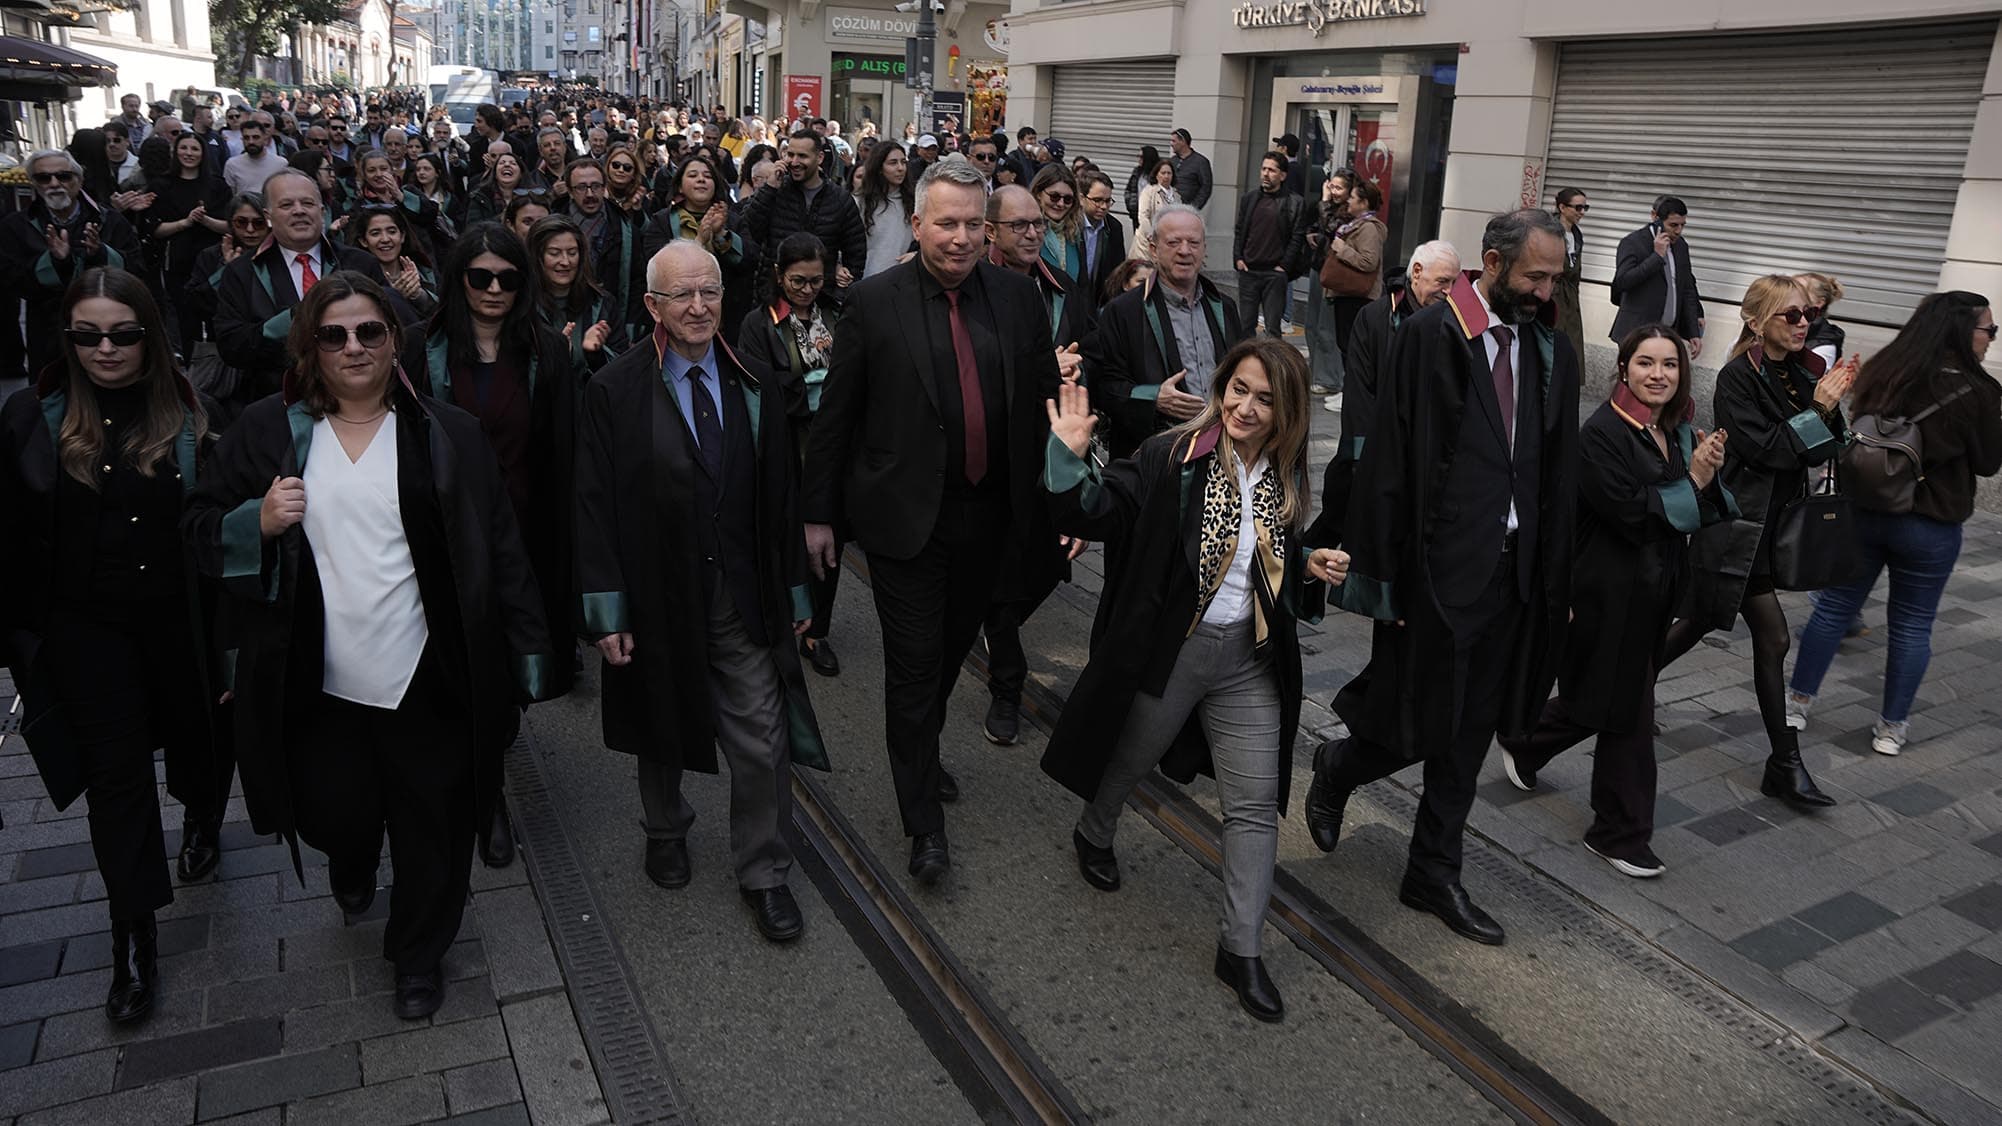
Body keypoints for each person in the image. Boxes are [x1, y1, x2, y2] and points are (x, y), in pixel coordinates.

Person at [185, 271, 557, 1020]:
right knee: (336, 814)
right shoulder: (267, 431)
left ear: (394, 341)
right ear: (310, 347)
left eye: (369, 332)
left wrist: (527, 650)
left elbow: (499, 545)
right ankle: (351, 862)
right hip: (316, 679)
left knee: (434, 825)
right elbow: (197, 528)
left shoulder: (446, 432)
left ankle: (418, 954)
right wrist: (255, 522)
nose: (353, 347)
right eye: (334, 335)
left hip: (428, 673)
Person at [1040, 338, 1344, 1021]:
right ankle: (1095, 830)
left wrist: (1304, 564)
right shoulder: (1171, 456)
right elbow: (1095, 512)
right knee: (1129, 759)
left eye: (1265, 398)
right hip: (1174, 651)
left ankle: (1241, 949)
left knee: (1253, 805)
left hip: (1249, 662)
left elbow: (1263, 556)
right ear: (1221, 387)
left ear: (1288, 412)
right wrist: (1067, 457)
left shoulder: (1287, 475)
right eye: (1238, 389)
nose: (1246, 407)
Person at [1302, 210, 1582, 947]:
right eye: (1535, 276)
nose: (1546, 291)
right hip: (1438, 572)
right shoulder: (1432, 334)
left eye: (1555, 278)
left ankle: (1432, 869)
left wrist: (1557, 580)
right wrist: (1385, 580)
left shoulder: (1549, 345)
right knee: (1419, 719)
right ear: (1493, 262)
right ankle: (1340, 764)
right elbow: (1390, 462)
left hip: (1512, 575)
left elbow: (1558, 471)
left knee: (1471, 731)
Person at [802, 160, 1065, 884]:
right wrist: (818, 515)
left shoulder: (1018, 298)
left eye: (974, 225)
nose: (961, 238)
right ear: (917, 225)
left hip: (990, 519)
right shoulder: (873, 303)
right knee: (915, 668)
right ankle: (924, 825)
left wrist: (1067, 494)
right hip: (904, 522)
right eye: (946, 223)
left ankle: (921, 748)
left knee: (949, 655)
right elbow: (837, 417)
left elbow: (1046, 407)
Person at [574, 241, 829, 943]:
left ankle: (765, 870)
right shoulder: (615, 389)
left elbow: (780, 498)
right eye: (680, 295)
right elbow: (592, 505)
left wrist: (795, 595)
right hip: (657, 594)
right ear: (652, 305)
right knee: (662, 722)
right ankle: (665, 829)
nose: (696, 308)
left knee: (763, 738)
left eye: (708, 293)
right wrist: (607, 611)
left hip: (739, 595)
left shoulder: (754, 381)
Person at [0, 268, 231, 1025]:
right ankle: (133, 936)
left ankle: (202, 816)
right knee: (116, 780)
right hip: (85, 631)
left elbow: (215, 525)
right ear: (67, 338)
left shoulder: (189, 413)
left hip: (177, 621)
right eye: (87, 335)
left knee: (199, 739)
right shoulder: (33, 418)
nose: (105, 348)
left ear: (148, 335)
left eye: (123, 333)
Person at [1497, 327, 1734, 879]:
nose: (1658, 374)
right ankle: (1618, 832)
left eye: (1669, 364)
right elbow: (1632, 514)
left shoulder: (1672, 429)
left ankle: (1525, 742)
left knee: (1602, 697)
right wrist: (1694, 480)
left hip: (1653, 593)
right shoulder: (1601, 433)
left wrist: (1705, 473)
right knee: (1629, 713)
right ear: (1623, 367)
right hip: (1606, 595)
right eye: (1646, 363)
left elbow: (1697, 511)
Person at [1656, 274, 1855, 806]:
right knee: (1773, 638)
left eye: (1808, 314)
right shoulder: (1736, 378)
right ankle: (1784, 763)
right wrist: (1819, 412)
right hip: (1737, 525)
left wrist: (1828, 408)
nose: (1803, 323)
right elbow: (1767, 449)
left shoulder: (1806, 370)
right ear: (1756, 321)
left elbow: (1826, 448)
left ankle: (1623, 691)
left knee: (1698, 622)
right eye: (1790, 315)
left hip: (1771, 526)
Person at [1786, 291, 2001, 756]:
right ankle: (1890, 728)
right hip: (1930, 524)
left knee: (1833, 608)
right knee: (1912, 625)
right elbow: (1988, 463)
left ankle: (1797, 704)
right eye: (1989, 329)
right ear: (1963, 331)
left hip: (1864, 512)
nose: (1991, 338)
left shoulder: (1885, 369)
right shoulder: (1979, 390)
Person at [978, 185, 1093, 745]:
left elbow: (1092, 356)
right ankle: (1007, 686)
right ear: (991, 231)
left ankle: (990, 620)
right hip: (988, 455)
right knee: (1001, 576)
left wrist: (1075, 369)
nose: (1031, 234)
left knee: (1051, 563)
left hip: (1049, 449)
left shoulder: (1063, 287)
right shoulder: (974, 286)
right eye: (1018, 225)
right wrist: (1042, 365)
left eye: (1037, 225)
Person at [738, 233, 845, 676]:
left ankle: (817, 630)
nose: (807, 290)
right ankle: (776, 615)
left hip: (833, 449)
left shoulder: (838, 313)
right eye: (798, 281)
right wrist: (820, 388)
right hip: (783, 448)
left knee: (829, 542)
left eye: (816, 281)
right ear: (779, 275)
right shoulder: (759, 323)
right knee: (779, 536)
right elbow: (760, 384)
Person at [1312, 240, 1461, 550]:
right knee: (1339, 527)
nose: (1449, 291)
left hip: (1421, 459)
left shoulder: (1452, 322)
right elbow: (1359, 393)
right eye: (1443, 281)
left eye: (1454, 283)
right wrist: (1364, 458)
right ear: (1417, 272)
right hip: (1373, 454)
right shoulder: (1377, 317)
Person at [212, 169, 396, 408]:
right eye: (286, 205)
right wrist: (296, 318)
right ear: (268, 216)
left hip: (360, 401)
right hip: (279, 403)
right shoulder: (242, 272)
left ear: (322, 211)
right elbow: (232, 347)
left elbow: (390, 329)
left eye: (307, 203)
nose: (299, 211)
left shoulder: (360, 263)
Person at [1087, 205, 1247, 458]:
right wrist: (1154, 398)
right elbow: (1104, 387)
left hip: (1220, 450)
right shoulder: (1123, 311)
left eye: (1194, 243)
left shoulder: (1224, 307)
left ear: (1204, 249)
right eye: (1173, 242)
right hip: (1154, 456)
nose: (1185, 251)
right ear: (1153, 249)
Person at [0, 151, 143, 379]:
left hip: (105, 334)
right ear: (34, 183)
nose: (54, 184)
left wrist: (99, 254)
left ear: (79, 180)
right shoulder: (17, 226)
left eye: (63, 176)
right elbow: (12, 280)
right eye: (44, 178)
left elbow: (136, 270)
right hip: (48, 336)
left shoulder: (109, 220)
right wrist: (55, 263)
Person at [641, 153, 759, 346]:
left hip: (727, 319)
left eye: (707, 176)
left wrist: (721, 234)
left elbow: (750, 260)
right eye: (693, 175)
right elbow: (654, 267)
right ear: (680, 186)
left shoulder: (733, 219)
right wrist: (699, 242)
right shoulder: (662, 221)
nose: (701, 179)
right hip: (677, 318)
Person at [737, 131, 868, 297]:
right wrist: (769, 188)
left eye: (802, 156)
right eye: (790, 155)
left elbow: (856, 252)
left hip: (822, 298)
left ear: (819, 158)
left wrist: (840, 295)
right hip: (775, 297)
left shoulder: (839, 199)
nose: (794, 162)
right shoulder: (774, 190)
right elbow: (748, 229)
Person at [138, 133, 231, 350]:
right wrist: (186, 222)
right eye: (184, 148)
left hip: (213, 261)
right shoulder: (160, 186)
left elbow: (231, 226)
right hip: (177, 263)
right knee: (183, 317)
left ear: (203, 153)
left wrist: (205, 220)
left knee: (217, 314)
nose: (189, 153)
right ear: (175, 152)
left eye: (194, 149)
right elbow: (154, 230)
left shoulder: (217, 185)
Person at [1611, 196, 1705, 356]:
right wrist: (1656, 257)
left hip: (1668, 333)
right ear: (1657, 220)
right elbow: (1622, 282)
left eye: (1682, 225)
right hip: (1637, 333)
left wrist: (1693, 332)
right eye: (1673, 225)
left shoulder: (1681, 246)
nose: (1678, 231)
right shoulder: (1633, 242)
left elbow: (1687, 289)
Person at [528, 214, 620, 378]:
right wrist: (557, 355)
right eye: (554, 253)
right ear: (538, 257)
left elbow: (623, 372)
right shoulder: (524, 306)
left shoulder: (602, 303)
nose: (565, 262)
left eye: (572, 253)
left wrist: (595, 354)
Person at [1232, 151, 1303, 337]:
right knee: (1245, 327)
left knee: (1272, 329)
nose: (1265, 174)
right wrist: (1238, 258)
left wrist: (1284, 266)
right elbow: (1239, 230)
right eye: (1263, 169)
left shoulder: (1294, 202)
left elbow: (1297, 237)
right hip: (1248, 271)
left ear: (1282, 175)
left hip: (1274, 274)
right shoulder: (1249, 199)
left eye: (1271, 170)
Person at [1299, 168, 1353, 399]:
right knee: (1311, 324)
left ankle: (1329, 378)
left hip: (1334, 273)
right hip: (1318, 266)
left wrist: (1324, 200)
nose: (1334, 192)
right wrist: (1311, 233)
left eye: (1339, 188)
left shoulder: (1348, 211)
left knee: (1326, 327)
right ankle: (1316, 372)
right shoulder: (1326, 207)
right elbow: (1318, 225)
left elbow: (1331, 228)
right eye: (1332, 186)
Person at [1322, 179, 1387, 356]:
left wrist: (1342, 249)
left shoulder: (1369, 228)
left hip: (1357, 296)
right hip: (1346, 294)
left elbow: (1368, 261)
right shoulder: (1355, 224)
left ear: (1364, 203)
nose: (1348, 201)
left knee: (1351, 347)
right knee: (1345, 345)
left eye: (1352, 197)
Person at [350, 205, 438, 317]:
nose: (385, 239)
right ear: (363, 241)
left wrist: (418, 294)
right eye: (375, 233)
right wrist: (392, 297)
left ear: (402, 236)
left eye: (392, 232)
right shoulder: (356, 280)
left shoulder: (423, 270)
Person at [856, 140, 913, 279]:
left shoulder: (914, 200)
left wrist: (917, 255)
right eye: (893, 163)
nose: (900, 168)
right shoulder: (861, 201)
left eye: (903, 162)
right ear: (879, 168)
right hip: (867, 279)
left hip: (903, 279)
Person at [1076, 170, 1126, 311]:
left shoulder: (1114, 228)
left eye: (1108, 201)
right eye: (1097, 200)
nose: (1104, 206)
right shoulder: (1069, 225)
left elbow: (1117, 272)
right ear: (1081, 198)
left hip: (1098, 303)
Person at [1029, 165, 1084, 285]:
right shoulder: (1027, 231)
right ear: (1038, 193)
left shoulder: (1075, 234)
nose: (1061, 204)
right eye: (1054, 197)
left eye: (1068, 199)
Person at [1552, 188, 1589, 363]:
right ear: (1562, 207)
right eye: (1578, 207)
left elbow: (1576, 271)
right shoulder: (1549, 231)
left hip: (1571, 300)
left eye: (1585, 208)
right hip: (1551, 297)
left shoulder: (1577, 235)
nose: (1582, 212)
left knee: (1572, 348)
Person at [222, 112, 289, 195]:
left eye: (256, 137)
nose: (251, 142)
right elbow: (230, 195)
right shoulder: (232, 164)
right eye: (246, 138)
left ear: (265, 138)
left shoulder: (281, 164)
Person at [1130, 158, 1179, 262]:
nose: (1166, 176)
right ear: (1156, 175)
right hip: (1147, 241)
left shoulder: (1176, 195)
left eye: (1169, 173)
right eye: (1163, 173)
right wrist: (1151, 234)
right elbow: (1143, 216)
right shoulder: (1149, 191)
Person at [1168, 128, 1214, 211]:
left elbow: (1206, 187)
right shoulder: (1172, 161)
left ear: (1183, 141)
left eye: (1174, 141)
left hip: (1189, 209)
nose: (1171, 144)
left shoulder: (1201, 162)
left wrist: (1194, 207)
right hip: (1171, 208)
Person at [1124, 145, 1160, 230]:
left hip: (1152, 214)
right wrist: (1131, 206)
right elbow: (1129, 189)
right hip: (1137, 212)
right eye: (1138, 156)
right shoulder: (1137, 172)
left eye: (1141, 157)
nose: (1139, 159)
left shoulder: (1158, 174)